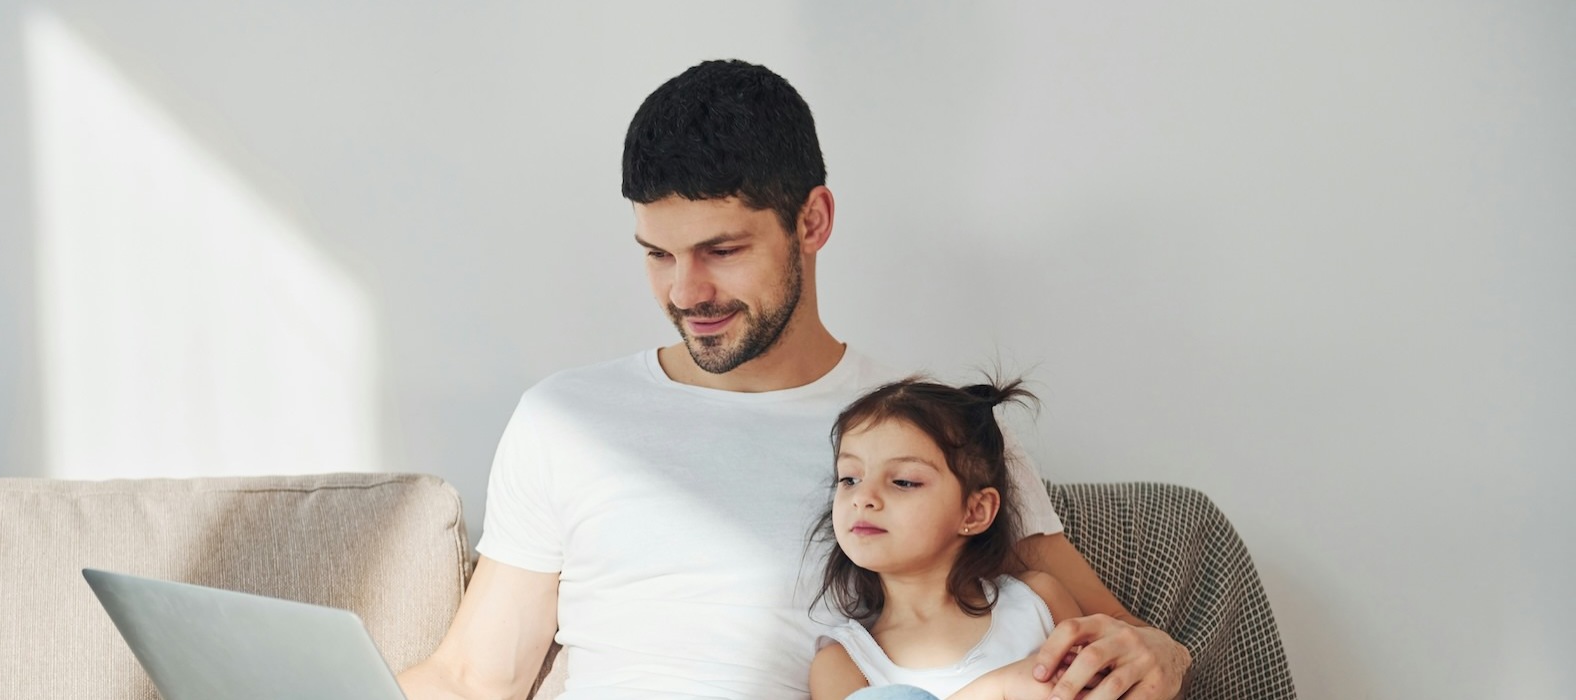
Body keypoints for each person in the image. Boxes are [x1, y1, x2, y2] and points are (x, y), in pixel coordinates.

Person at [397, 59, 1188, 700]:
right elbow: (472, 678)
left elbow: (1123, 635)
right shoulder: (565, 418)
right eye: (658, 254)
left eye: (722, 250)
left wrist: (1163, 656)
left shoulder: (930, 436)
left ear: (812, 221)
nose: (685, 293)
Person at [809, 378, 1078, 700]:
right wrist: (999, 688)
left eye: (904, 482)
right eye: (849, 479)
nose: (863, 497)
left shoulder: (1038, 602)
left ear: (974, 511)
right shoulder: (845, 662)